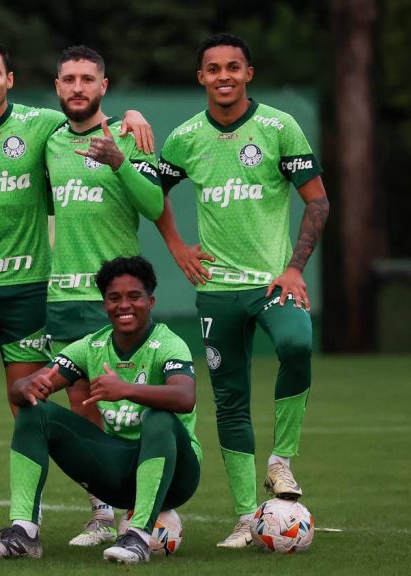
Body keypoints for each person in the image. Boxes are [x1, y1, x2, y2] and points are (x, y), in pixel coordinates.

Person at [0, 39, 153, 540]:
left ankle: (95, 508)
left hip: (32, 287)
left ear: (10, 79)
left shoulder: (43, 126)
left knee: (32, 401)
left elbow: (89, 113)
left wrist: (132, 113)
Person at [154, 33, 328, 548]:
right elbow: (151, 194)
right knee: (229, 401)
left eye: (234, 67)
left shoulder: (279, 126)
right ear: (201, 78)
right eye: (213, 68)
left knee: (297, 345)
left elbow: (317, 203)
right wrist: (178, 248)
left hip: (273, 282)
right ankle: (246, 518)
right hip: (217, 291)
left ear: (248, 73)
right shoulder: (185, 138)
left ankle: (281, 461)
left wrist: (295, 268)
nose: (223, 76)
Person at [0, 256, 201, 565]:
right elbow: (30, 384)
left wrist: (127, 389)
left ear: (151, 301)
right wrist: (23, 386)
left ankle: (139, 538)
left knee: (158, 417)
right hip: (119, 471)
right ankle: (24, 534)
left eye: (134, 297)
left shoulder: (169, 343)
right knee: (33, 411)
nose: (124, 305)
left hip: (177, 474)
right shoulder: (91, 346)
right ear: (104, 305)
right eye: (114, 298)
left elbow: (185, 396)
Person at [44, 45, 164, 547]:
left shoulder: (130, 136)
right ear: (57, 88)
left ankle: (144, 507)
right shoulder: (47, 140)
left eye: (87, 79)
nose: (77, 87)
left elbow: (155, 203)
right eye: (68, 79)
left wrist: (120, 162)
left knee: (126, 404)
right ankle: (100, 511)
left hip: (116, 298)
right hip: (64, 293)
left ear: (104, 87)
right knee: (81, 403)